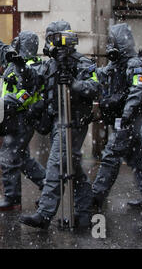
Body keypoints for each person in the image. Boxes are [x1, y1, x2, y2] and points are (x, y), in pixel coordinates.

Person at [19, 20, 101, 230]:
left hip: (73, 121)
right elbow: (36, 80)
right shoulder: (51, 64)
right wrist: (22, 66)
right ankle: (84, 210)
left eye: (51, 39)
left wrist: (75, 85)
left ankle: (45, 214)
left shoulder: (80, 62)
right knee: (72, 167)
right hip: (57, 119)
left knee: (57, 163)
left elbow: (94, 86)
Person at [92, 23, 142, 210]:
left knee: (111, 156)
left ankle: (96, 196)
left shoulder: (134, 63)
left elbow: (137, 90)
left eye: (112, 41)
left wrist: (127, 114)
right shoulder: (117, 63)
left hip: (128, 120)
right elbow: (101, 75)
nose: (109, 45)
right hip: (122, 118)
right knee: (136, 157)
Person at [0, 30, 46, 211]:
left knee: (9, 157)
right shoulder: (15, 63)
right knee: (23, 159)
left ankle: (13, 199)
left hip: (23, 118)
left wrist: (2, 104)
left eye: (18, 42)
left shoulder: (33, 67)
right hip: (14, 118)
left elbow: (25, 94)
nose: (14, 44)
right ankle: (48, 186)